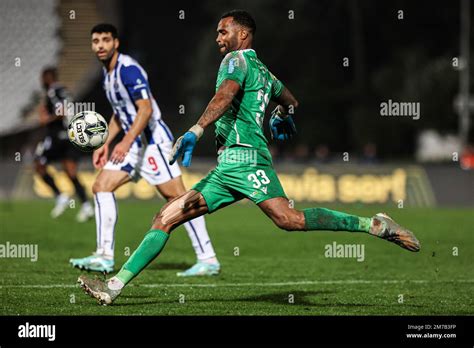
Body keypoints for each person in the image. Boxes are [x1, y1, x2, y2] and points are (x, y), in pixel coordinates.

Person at [78, 11, 420, 305]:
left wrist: (196, 129)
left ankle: (372, 225)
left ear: (243, 34)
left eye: (223, 31)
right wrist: (281, 115)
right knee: (171, 217)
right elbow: (291, 101)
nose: (218, 38)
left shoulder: (235, 61)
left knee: (286, 219)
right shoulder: (264, 71)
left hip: (245, 162)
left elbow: (225, 95)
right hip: (232, 168)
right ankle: (112, 287)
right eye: (216, 32)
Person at [70, 24, 220, 276]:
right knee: (101, 186)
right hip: (133, 145)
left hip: (152, 144)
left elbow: (146, 109)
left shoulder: (128, 70)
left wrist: (126, 141)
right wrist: (106, 143)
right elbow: (121, 111)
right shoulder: (107, 74)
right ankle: (104, 256)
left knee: (179, 200)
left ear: (116, 43)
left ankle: (208, 259)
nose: (100, 45)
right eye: (96, 41)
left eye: (106, 40)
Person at [34, 67, 94, 222]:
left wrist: (48, 118)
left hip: (57, 136)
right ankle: (86, 206)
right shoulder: (64, 90)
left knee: (39, 163)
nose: (41, 81)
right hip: (70, 135)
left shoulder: (53, 91)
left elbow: (61, 111)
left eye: (43, 78)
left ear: (48, 78)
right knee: (71, 172)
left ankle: (61, 196)